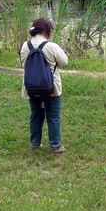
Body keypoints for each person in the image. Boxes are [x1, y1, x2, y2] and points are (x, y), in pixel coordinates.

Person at [19, 18, 68, 154]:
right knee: (53, 116)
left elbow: (22, 63)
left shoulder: (24, 46)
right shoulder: (51, 46)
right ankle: (55, 146)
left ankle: (35, 143)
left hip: (31, 88)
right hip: (51, 88)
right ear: (46, 31)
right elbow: (64, 62)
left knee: (36, 114)